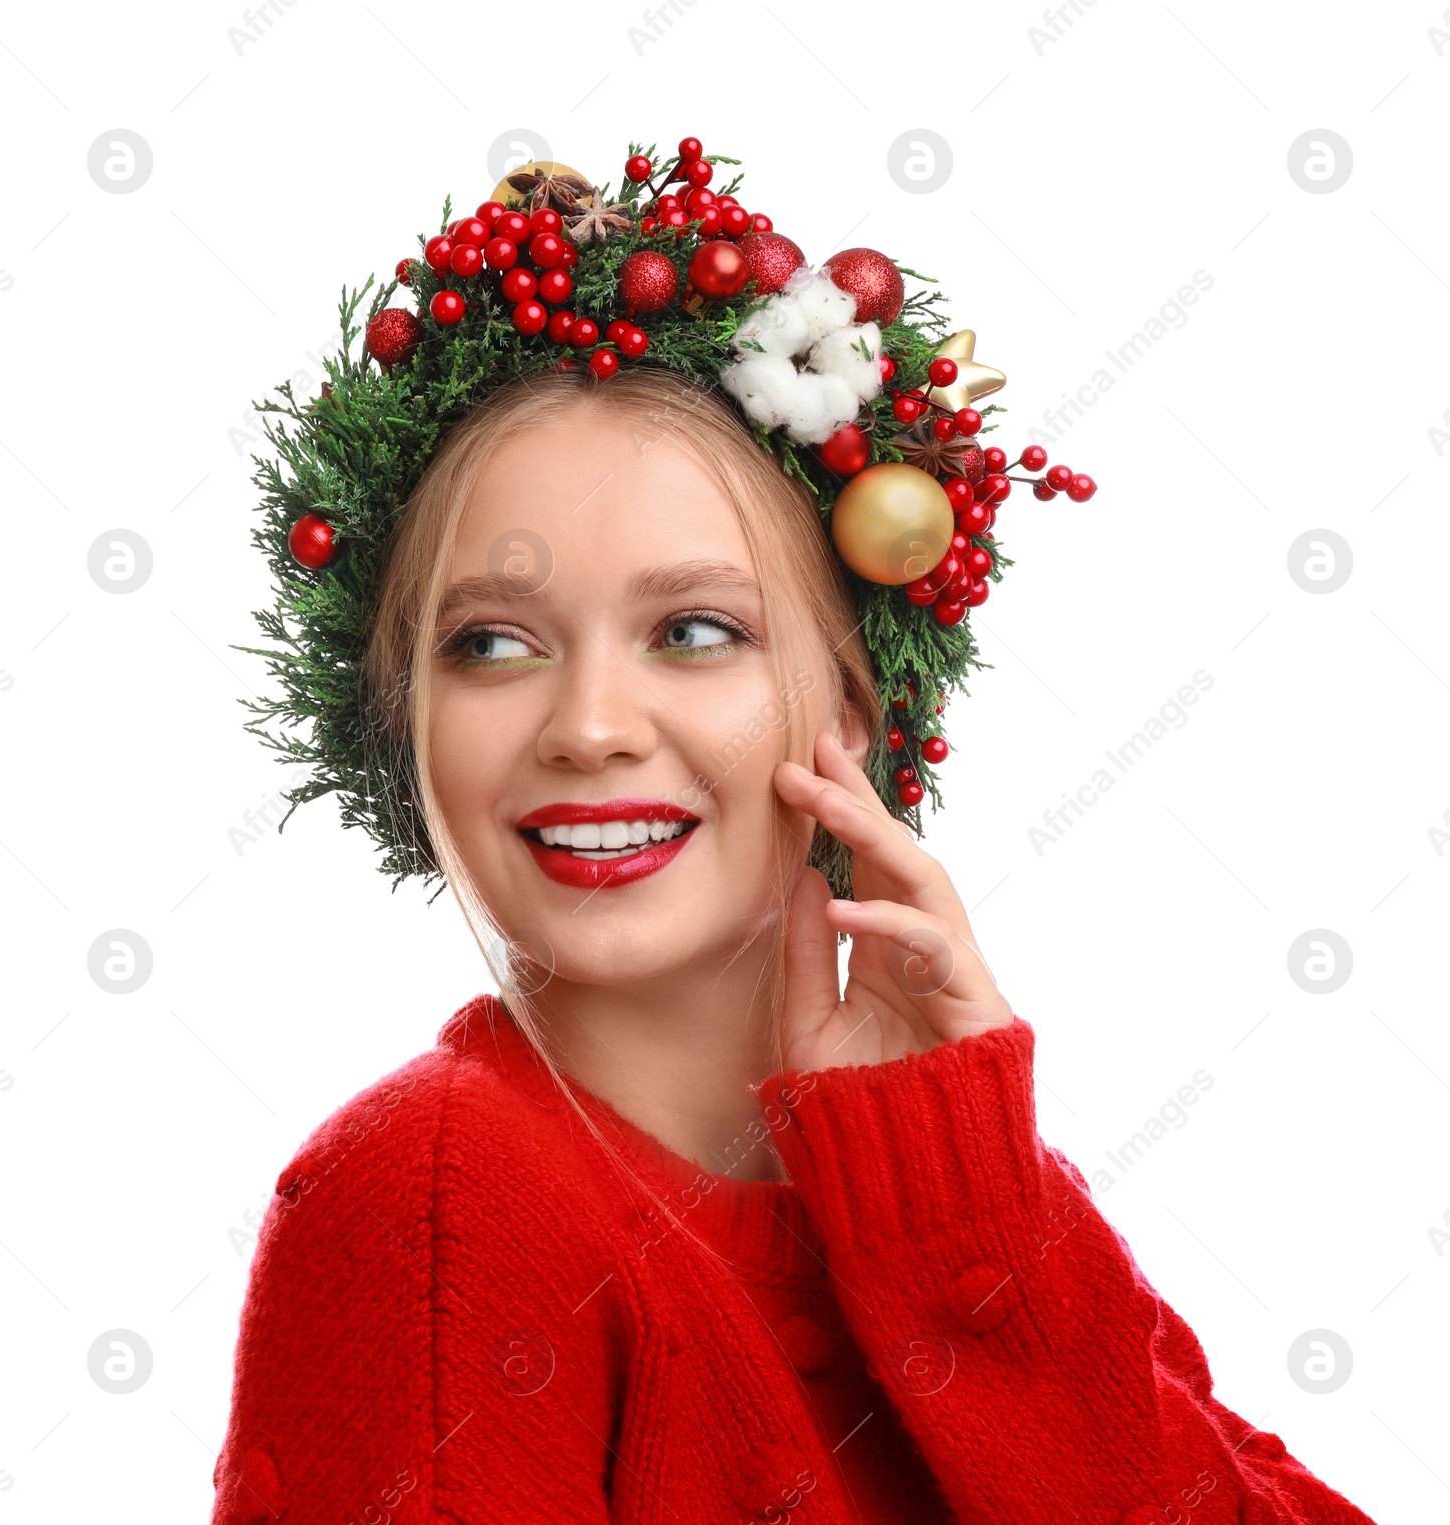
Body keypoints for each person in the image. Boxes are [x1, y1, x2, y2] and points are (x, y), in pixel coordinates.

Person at [212, 142, 1379, 1525]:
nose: (590, 724)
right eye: (492, 641)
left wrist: (963, 1214)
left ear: (854, 705)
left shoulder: (976, 1208)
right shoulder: (433, 1207)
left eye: (694, 630)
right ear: (403, 722)